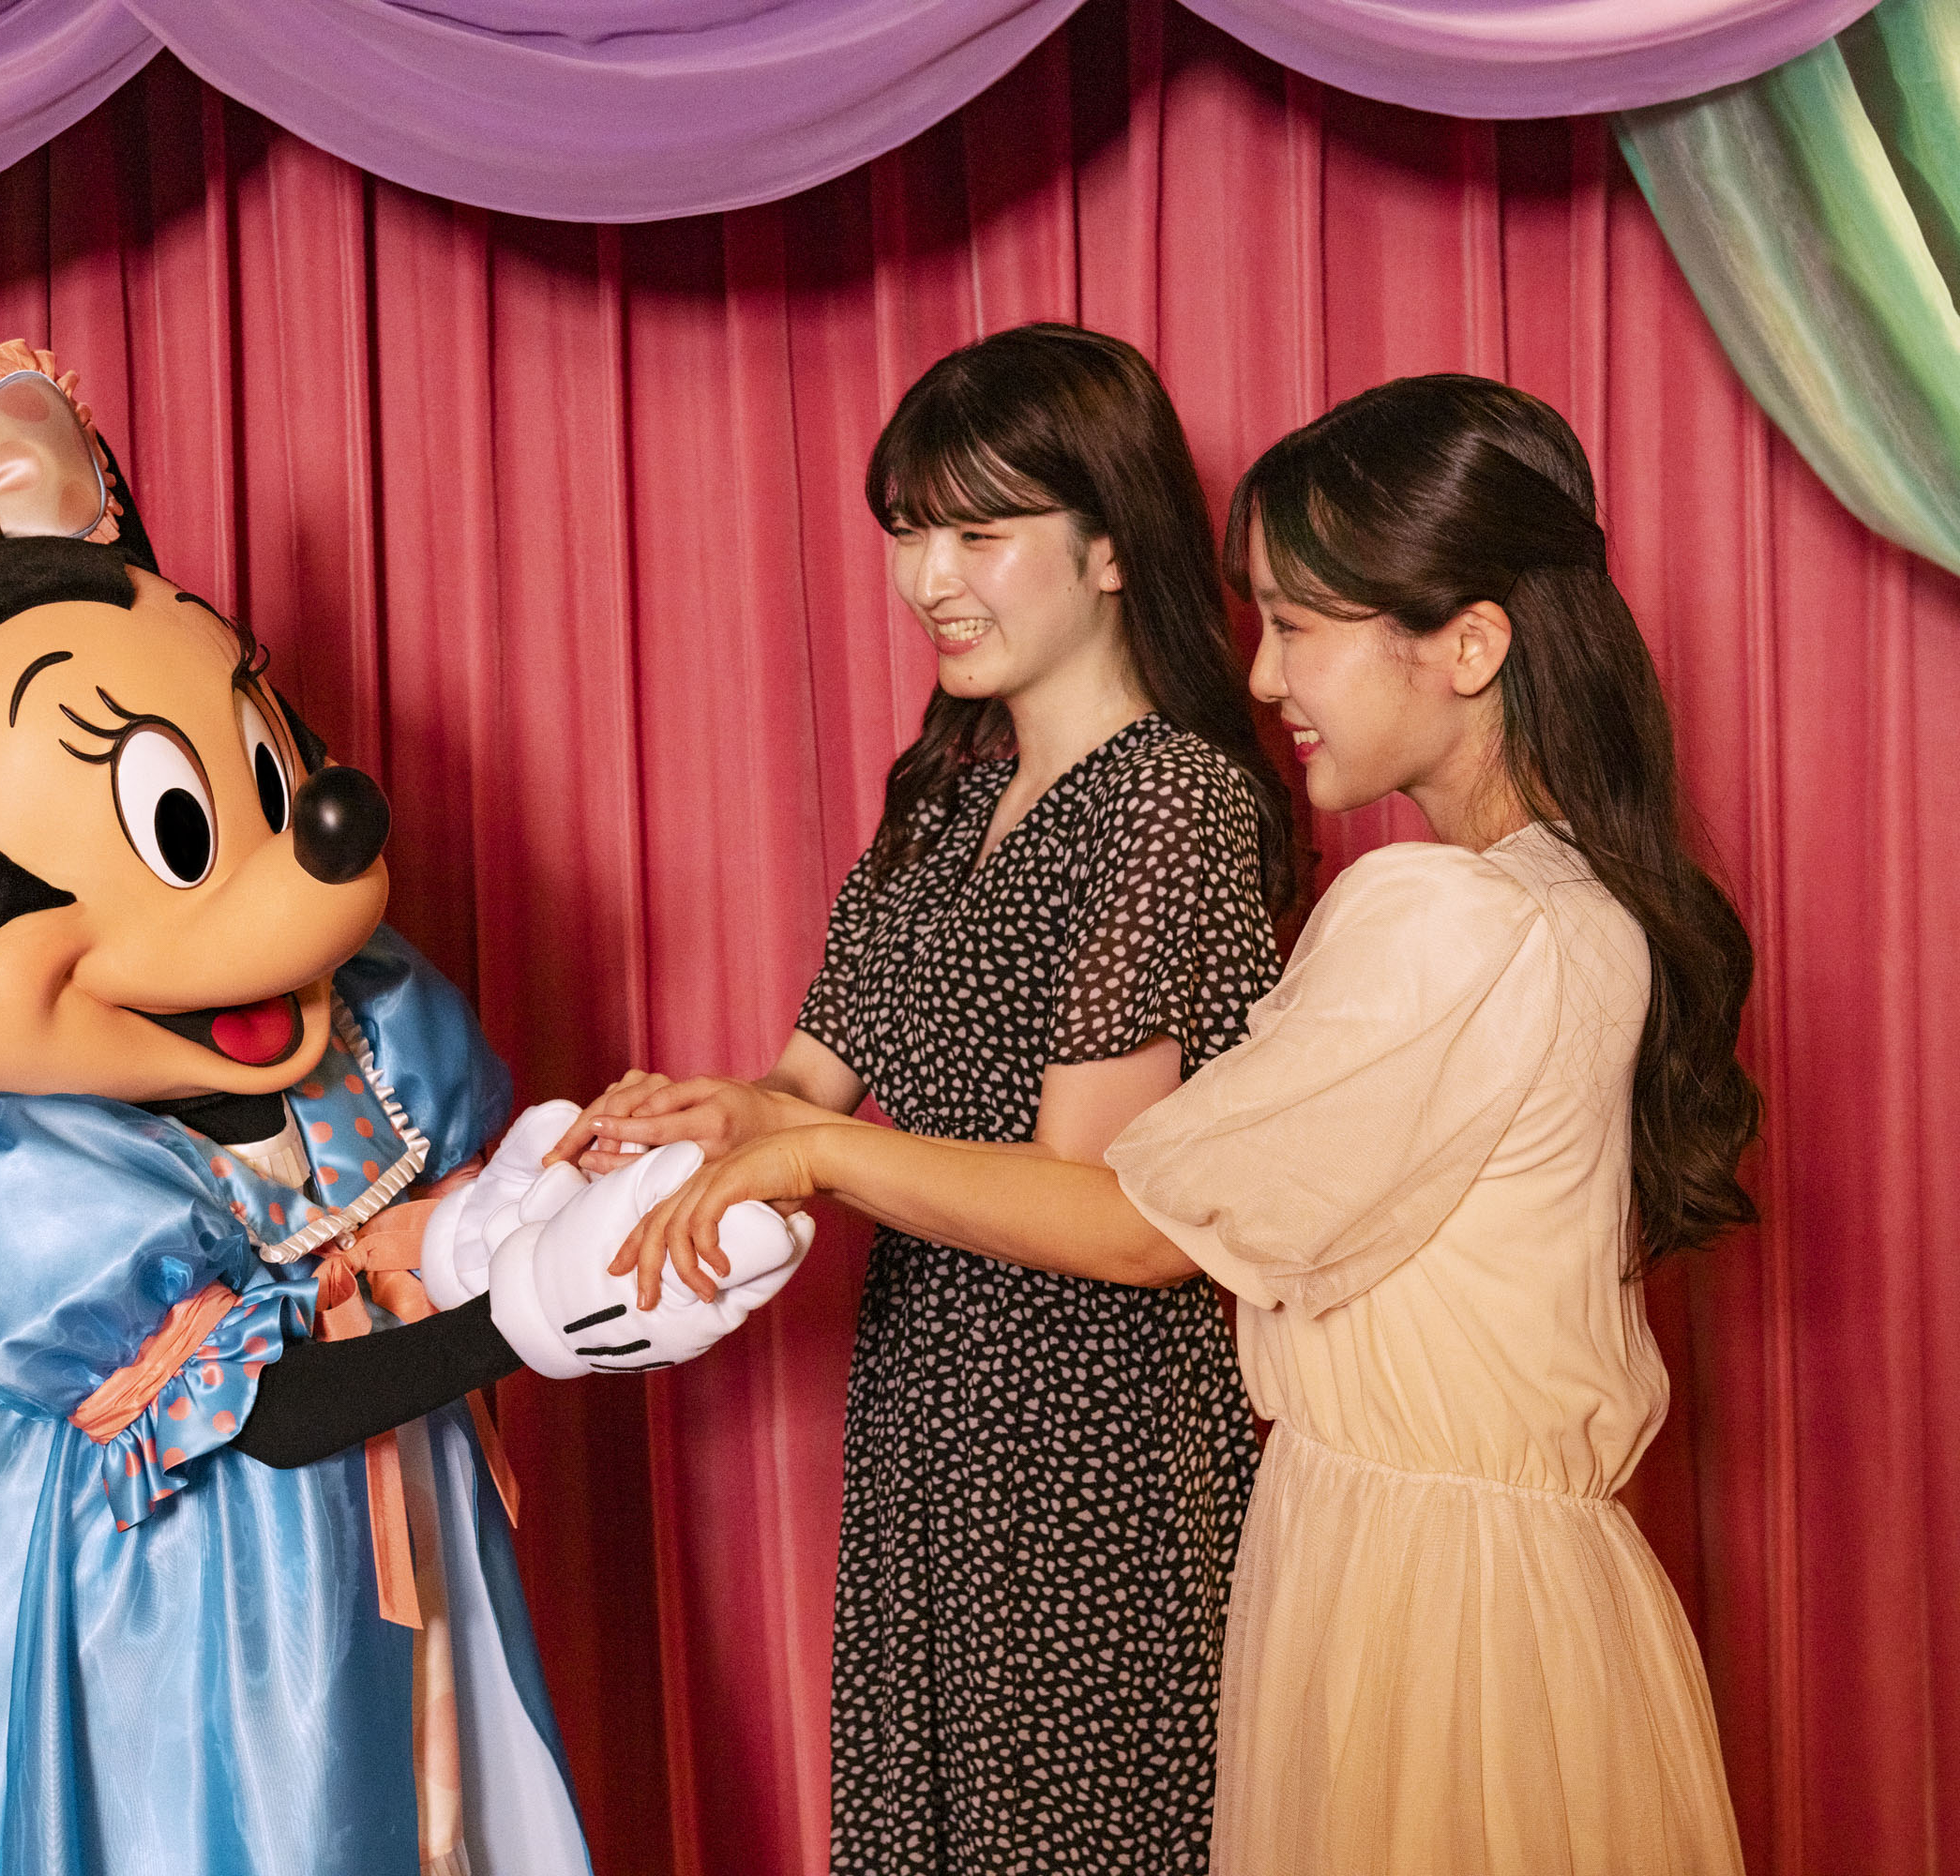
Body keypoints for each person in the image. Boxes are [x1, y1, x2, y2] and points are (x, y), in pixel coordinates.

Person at [623, 373, 1757, 1875]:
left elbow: (1133, 1219)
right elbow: (839, 1080)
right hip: (1488, 1566)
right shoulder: (1561, 899)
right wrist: (753, 1122)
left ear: (1472, 646)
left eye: (1297, 625)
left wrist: (820, 1153)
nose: (1266, 674)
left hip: (1380, 1566)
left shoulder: (1419, 904)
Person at [554, 324, 1297, 1872]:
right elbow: (807, 1080)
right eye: (908, 531)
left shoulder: (1170, 800)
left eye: (980, 532)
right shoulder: (949, 794)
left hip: (1092, 1447)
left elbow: (1118, 1220)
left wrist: (819, 1156)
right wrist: (711, 1115)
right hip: (932, 1413)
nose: (926, 578)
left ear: (1112, 546)